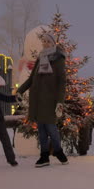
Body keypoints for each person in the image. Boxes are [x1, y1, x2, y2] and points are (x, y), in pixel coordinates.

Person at [16, 31, 68, 167]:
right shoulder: (41, 58)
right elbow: (32, 78)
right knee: (41, 130)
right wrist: (20, 90)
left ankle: (58, 151)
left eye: (48, 41)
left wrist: (60, 103)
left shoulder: (58, 59)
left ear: (53, 43)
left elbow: (62, 82)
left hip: (50, 101)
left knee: (51, 128)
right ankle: (44, 156)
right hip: (38, 100)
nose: (45, 44)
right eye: (44, 41)